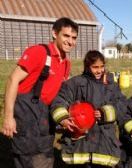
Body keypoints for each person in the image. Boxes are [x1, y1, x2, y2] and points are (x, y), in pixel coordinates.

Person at [1, 17, 78, 168]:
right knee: (29, 159)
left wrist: (61, 117)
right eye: (66, 36)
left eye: (74, 37)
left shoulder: (66, 63)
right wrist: (8, 117)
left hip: (44, 117)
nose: (70, 41)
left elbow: (58, 94)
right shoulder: (39, 52)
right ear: (55, 34)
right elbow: (12, 80)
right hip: (26, 115)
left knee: (45, 155)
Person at [50, 50, 127, 167]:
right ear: (87, 66)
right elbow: (59, 101)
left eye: (102, 67)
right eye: (95, 67)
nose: (99, 70)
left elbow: (122, 105)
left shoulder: (111, 86)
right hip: (79, 145)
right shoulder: (74, 83)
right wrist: (63, 119)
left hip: (104, 144)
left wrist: (105, 113)